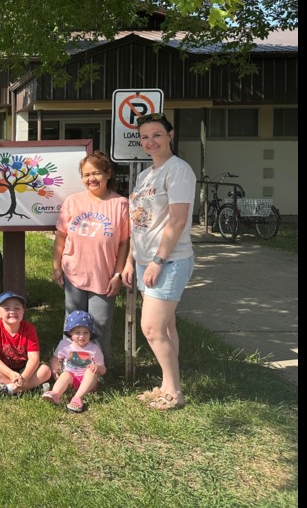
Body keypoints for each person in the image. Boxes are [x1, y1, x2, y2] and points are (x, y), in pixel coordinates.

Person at [122, 113, 196, 411]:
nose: (150, 142)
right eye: (144, 137)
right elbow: (137, 222)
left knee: (151, 328)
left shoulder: (179, 171)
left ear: (170, 135)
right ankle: (167, 385)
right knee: (165, 329)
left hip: (169, 260)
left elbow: (177, 221)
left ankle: (175, 393)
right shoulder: (146, 175)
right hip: (145, 260)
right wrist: (131, 260)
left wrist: (157, 260)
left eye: (156, 135)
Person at [52, 151, 130, 363]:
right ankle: (69, 366)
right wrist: (57, 266)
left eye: (96, 173)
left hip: (104, 276)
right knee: (72, 323)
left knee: (100, 325)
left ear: (108, 174)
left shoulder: (121, 204)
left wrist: (118, 274)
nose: (91, 179)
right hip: (74, 272)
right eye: (86, 175)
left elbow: (124, 242)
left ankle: (97, 370)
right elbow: (61, 235)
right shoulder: (73, 201)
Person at [0, 292, 52, 399]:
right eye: (7, 309)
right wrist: (10, 374)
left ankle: (9, 389)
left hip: (24, 368)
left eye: (17, 308)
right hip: (4, 369)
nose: (12, 312)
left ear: (23, 311)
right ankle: (32, 388)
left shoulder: (29, 329)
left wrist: (24, 377)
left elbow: (34, 358)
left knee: (46, 371)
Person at [42, 310, 106, 413]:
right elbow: (55, 359)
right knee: (66, 374)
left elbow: (103, 370)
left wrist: (97, 367)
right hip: (71, 379)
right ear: (70, 332)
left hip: (88, 381)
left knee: (91, 371)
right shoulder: (65, 345)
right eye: (77, 332)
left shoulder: (94, 349)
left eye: (86, 332)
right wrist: (54, 372)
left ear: (90, 333)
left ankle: (78, 398)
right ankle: (55, 394)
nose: (82, 336)